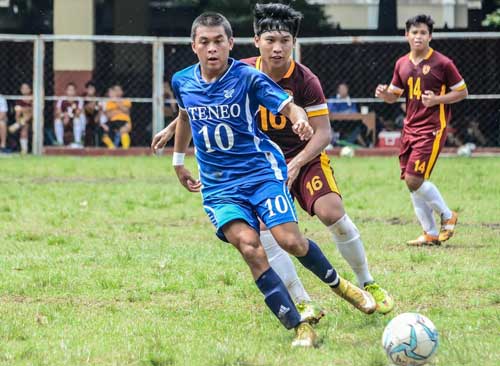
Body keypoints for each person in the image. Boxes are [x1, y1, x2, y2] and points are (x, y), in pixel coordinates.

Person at [152, 12, 376, 348]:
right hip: (219, 187)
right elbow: (184, 116)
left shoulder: (247, 77)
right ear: (193, 46)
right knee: (250, 248)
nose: (212, 49)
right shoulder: (182, 81)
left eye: (218, 42)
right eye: (204, 42)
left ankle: (341, 286)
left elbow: (289, 107)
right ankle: (299, 326)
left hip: (261, 174)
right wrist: (179, 161)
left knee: (291, 242)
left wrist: (299, 120)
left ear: (231, 44)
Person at [375, 14, 467, 246]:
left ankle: (448, 215)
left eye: (423, 33)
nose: (418, 36)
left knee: (414, 180)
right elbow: (394, 95)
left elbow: (462, 92)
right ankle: (430, 233)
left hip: (432, 128)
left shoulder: (443, 63)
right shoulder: (401, 63)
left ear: (430, 36)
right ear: (406, 35)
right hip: (410, 128)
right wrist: (384, 94)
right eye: (414, 32)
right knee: (411, 181)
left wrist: (437, 100)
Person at [54, 82, 84, 147]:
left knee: (77, 120)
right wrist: (64, 116)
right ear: (66, 91)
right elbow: (58, 112)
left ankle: (78, 141)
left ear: (75, 91)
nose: (71, 92)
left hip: (74, 118)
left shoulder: (79, 100)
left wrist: (68, 116)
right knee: (57, 120)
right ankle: (60, 142)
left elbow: (78, 113)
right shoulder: (62, 99)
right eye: (69, 90)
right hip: (64, 118)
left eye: (72, 90)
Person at [103, 84, 132, 149]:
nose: (117, 92)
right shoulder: (109, 102)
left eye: (118, 90)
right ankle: (112, 148)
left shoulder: (126, 100)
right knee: (103, 130)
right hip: (113, 121)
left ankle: (126, 150)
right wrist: (120, 110)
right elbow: (109, 115)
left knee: (123, 131)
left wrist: (117, 102)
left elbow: (127, 111)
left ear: (122, 92)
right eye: (115, 90)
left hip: (124, 121)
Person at [9, 82, 33, 154]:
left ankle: (17, 125)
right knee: (24, 127)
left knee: (28, 111)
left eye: (26, 88)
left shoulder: (34, 97)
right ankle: (24, 150)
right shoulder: (19, 100)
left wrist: (25, 109)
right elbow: (17, 114)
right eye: (23, 88)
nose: (24, 90)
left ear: (30, 89)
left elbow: (33, 110)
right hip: (23, 121)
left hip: (33, 119)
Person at [82, 81, 103, 147]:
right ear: (86, 90)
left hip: (95, 119)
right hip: (85, 119)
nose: (91, 90)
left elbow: (100, 111)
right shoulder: (83, 99)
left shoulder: (98, 99)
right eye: (89, 88)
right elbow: (85, 109)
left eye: (92, 88)